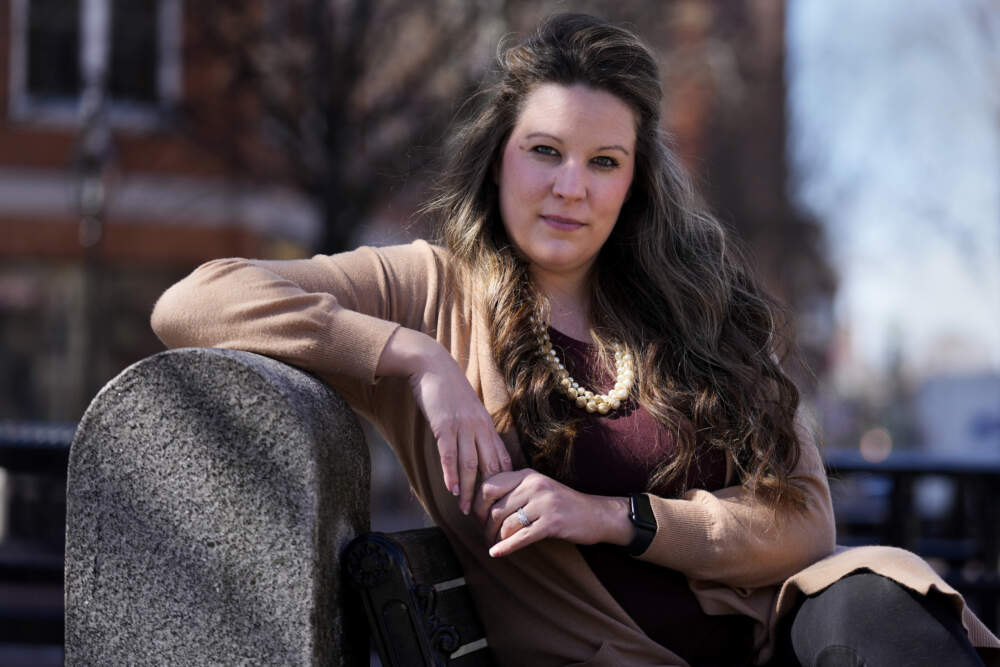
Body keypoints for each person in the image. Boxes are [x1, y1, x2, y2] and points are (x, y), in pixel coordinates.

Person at [151, 13, 999, 667]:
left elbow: (805, 523)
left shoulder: (701, 305)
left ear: (634, 183)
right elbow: (197, 299)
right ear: (498, 158)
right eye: (545, 151)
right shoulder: (431, 291)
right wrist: (416, 358)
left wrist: (612, 518)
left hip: (779, 639)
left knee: (877, 604)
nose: (570, 187)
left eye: (603, 161)